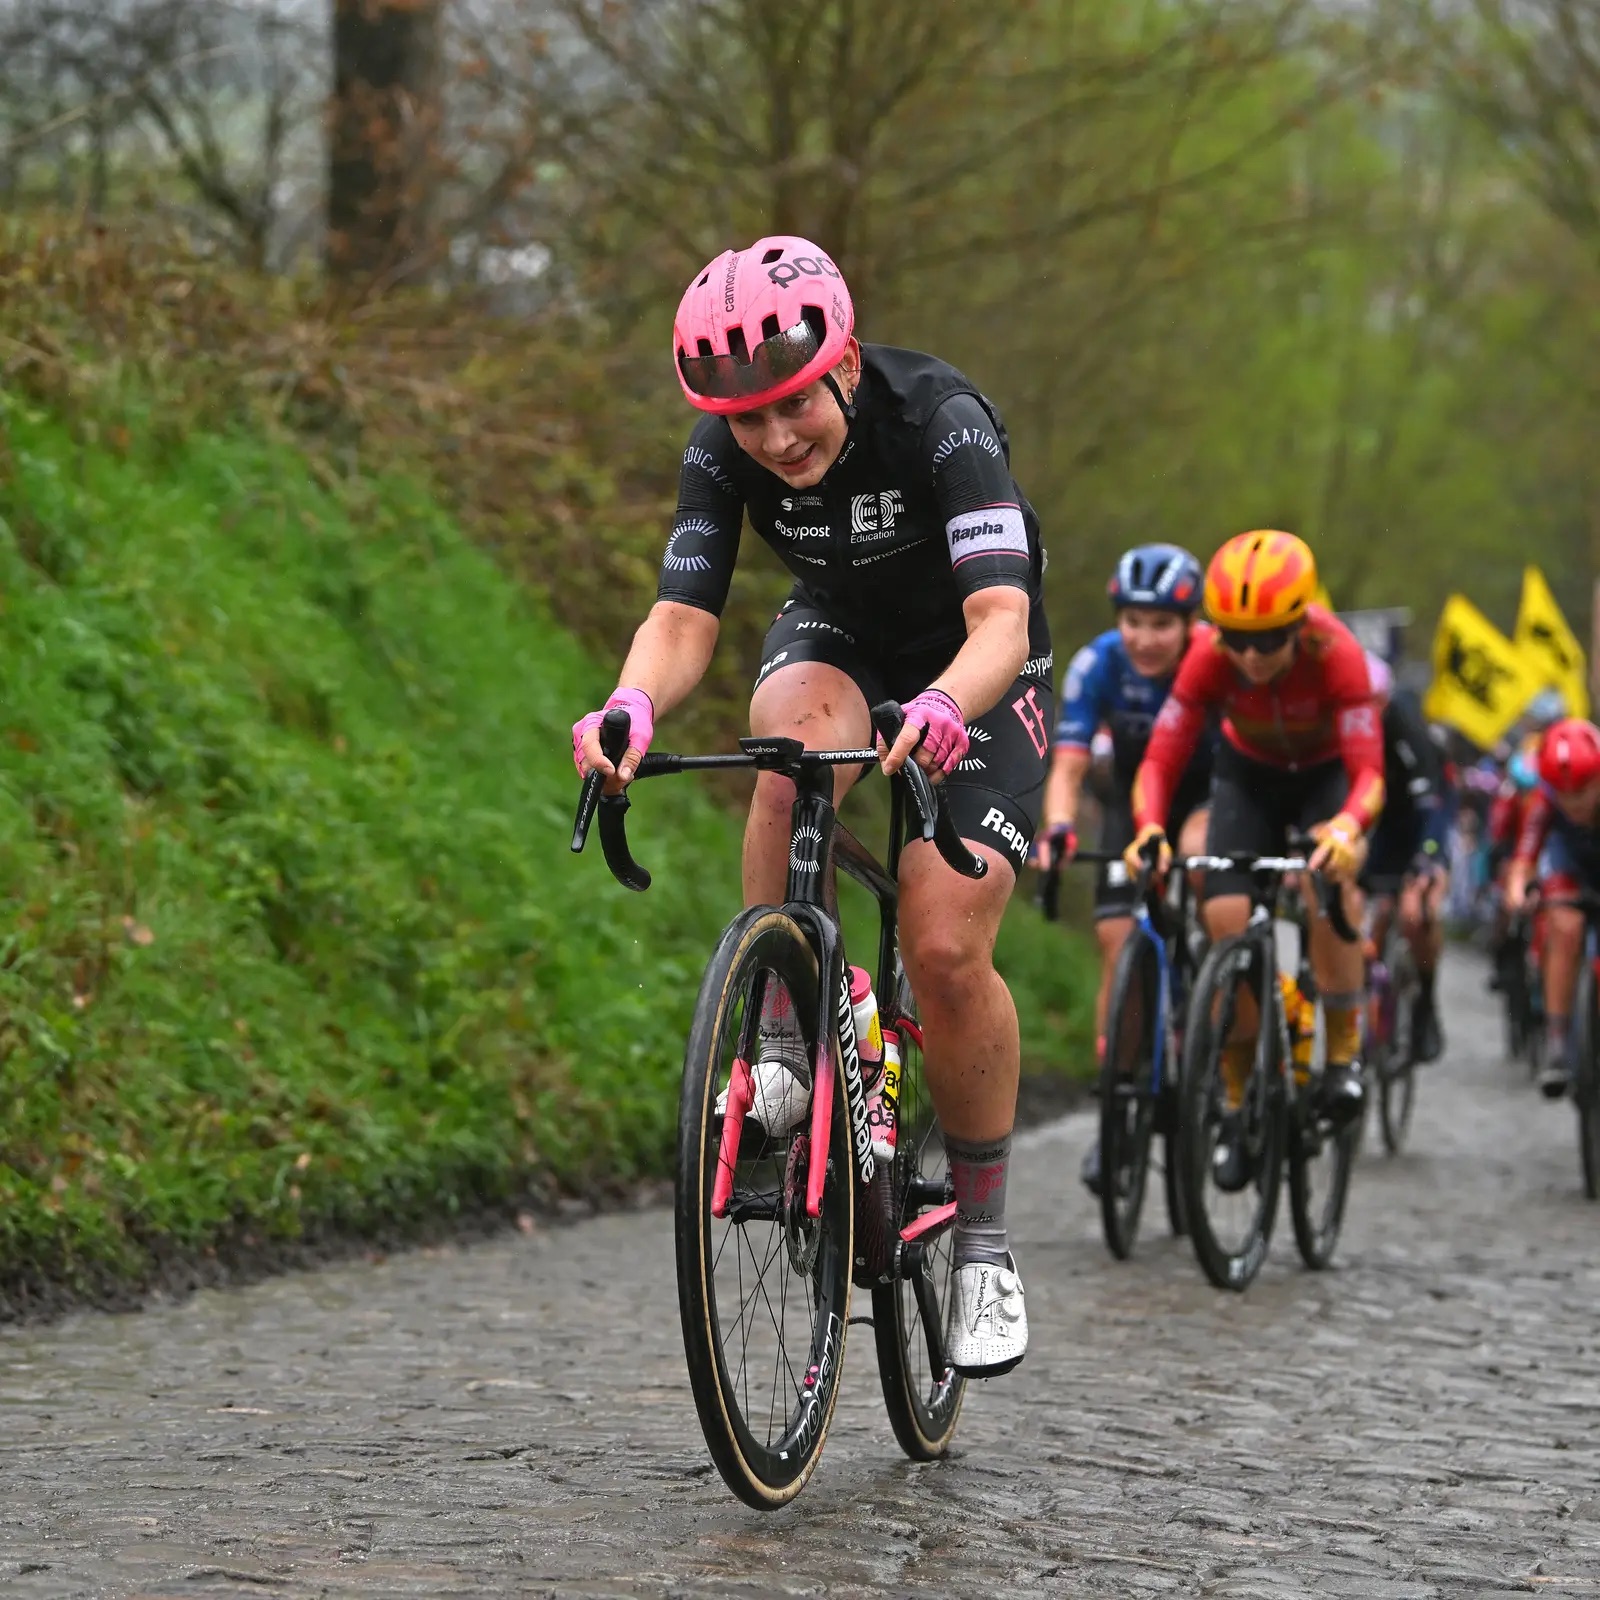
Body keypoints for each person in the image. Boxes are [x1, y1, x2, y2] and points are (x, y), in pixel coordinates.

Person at [572, 236, 1053, 1377]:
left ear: (839, 365)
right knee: (785, 753)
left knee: (942, 944)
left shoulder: (941, 418)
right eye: (746, 421)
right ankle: (784, 1034)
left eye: (792, 406)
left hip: (974, 661)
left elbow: (1002, 621)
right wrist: (630, 703)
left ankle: (982, 1243)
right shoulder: (723, 450)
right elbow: (683, 620)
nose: (775, 439)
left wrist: (942, 702)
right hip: (838, 631)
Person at [1126, 530, 1384, 1190]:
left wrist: (1350, 828)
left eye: (1268, 639)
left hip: (1326, 777)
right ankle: (1238, 1102)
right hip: (1249, 776)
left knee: (1329, 882)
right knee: (1225, 915)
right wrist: (1151, 827)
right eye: (1235, 636)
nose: (1249, 654)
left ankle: (1344, 1056)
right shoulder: (1210, 658)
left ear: (1298, 625)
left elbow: (1368, 775)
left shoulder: (1338, 655)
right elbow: (1161, 757)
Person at [1034, 543, 1211, 1194]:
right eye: (1133, 621)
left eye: (1162, 623)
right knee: (1118, 942)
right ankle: (1120, 1096)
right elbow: (1072, 761)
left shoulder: (1212, 660)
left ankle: (1214, 998)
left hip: (1209, 795)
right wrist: (1059, 827)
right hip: (1133, 803)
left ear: (1191, 623)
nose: (1145, 637)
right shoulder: (1099, 663)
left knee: (1199, 870)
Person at [1360, 652, 1452, 1063]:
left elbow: (1431, 807)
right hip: (1374, 827)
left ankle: (1425, 1005)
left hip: (1419, 824)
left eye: (1372, 704)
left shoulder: (1407, 729)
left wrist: (1428, 860)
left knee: (1417, 914)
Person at [1505, 718, 1600, 1098]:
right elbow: (1525, 857)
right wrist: (1516, 890)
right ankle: (1558, 1040)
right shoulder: (1546, 799)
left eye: (1583, 791)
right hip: (1571, 865)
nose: (1573, 802)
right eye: (1564, 794)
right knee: (1563, 924)